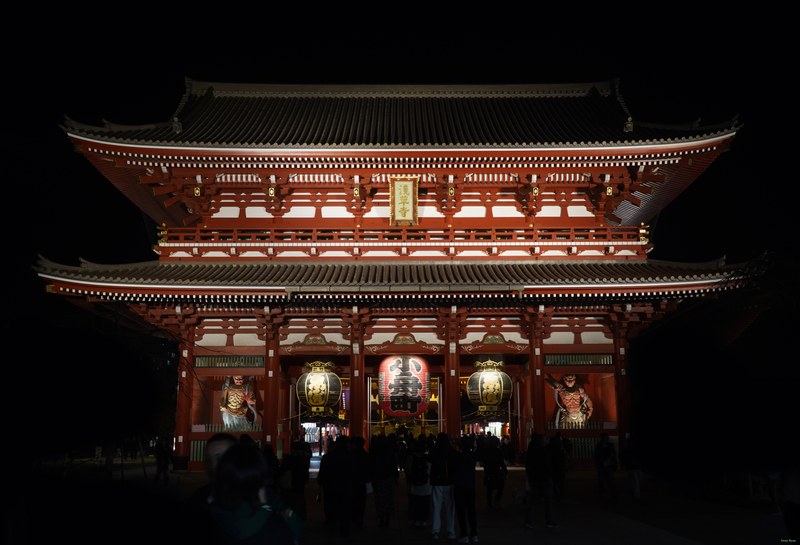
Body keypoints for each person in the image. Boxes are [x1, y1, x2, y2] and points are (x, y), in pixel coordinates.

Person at [207, 441, 296, 545]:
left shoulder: (204, 516)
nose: (213, 465)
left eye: (218, 458)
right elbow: (294, 525)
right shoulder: (274, 525)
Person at [523, 433, 558, 529]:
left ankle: (528, 520)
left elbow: (528, 466)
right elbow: (548, 465)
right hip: (544, 478)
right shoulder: (544, 451)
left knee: (532, 501)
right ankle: (549, 521)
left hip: (534, 478)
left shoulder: (531, 451)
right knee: (548, 501)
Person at [428, 431, 457, 540]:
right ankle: (451, 531)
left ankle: (435, 531)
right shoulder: (451, 451)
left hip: (437, 482)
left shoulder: (434, 450)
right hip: (449, 482)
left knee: (436, 507)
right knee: (450, 507)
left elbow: (430, 461)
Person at [454, 434, 479, 543]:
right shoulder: (472, 456)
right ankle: (474, 534)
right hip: (470, 486)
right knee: (471, 511)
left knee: (461, 511)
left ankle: (464, 534)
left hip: (459, 486)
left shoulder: (457, 457)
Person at [480, 434, 508, 509]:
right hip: (496, 471)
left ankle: (489, 503)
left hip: (488, 471)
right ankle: (496, 500)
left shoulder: (485, 451)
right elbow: (501, 462)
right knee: (501, 486)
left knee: (489, 488)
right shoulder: (497, 451)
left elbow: (482, 462)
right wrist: (505, 471)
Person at [594, 433, 618, 500]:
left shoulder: (607, 445)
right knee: (603, 480)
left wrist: (614, 463)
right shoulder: (600, 446)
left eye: (606, 438)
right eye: (605, 438)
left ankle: (611, 493)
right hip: (602, 465)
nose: (606, 439)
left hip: (607, 465)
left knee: (610, 480)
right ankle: (602, 494)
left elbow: (613, 455)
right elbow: (596, 456)